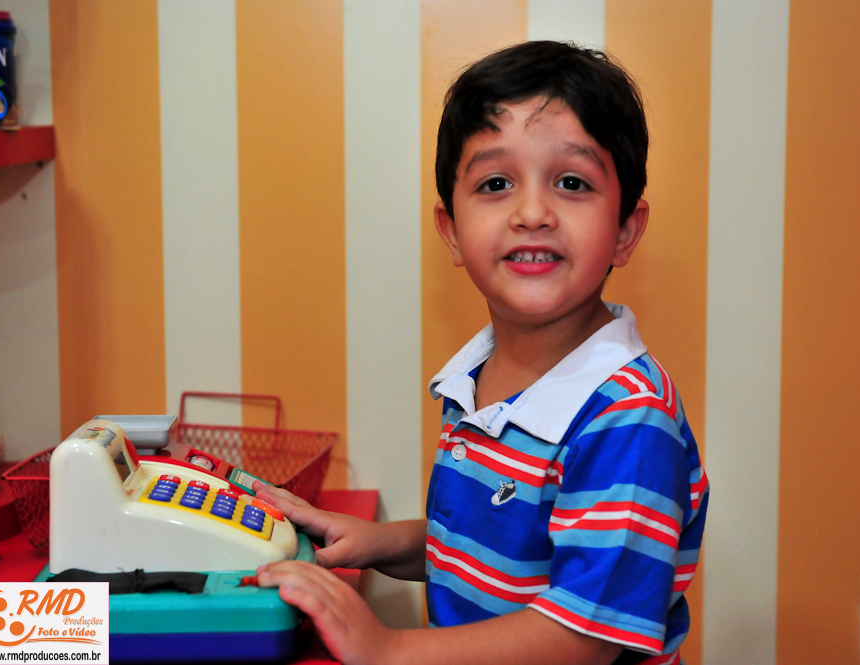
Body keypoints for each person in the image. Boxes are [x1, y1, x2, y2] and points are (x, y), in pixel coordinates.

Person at [253, 40, 709, 665]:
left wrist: (389, 649)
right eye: (496, 183)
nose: (532, 213)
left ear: (625, 231)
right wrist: (381, 542)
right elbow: (486, 549)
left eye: (571, 183)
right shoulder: (475, 379)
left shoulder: (627, 419)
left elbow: (583, 638)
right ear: (452, 232)